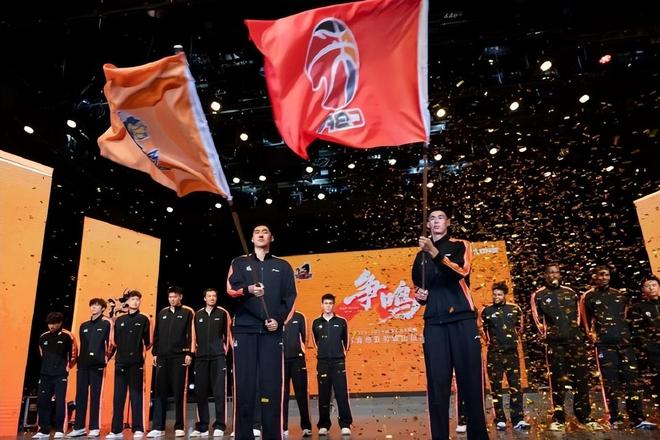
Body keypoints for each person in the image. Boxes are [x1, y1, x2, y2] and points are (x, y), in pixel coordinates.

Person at [411, 205, 488, 440]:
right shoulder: (420, 255)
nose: (436, 221)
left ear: (448, 223)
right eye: (432, 218)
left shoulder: (460, 245)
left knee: (470, 383)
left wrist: (434, 252)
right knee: (437, 385)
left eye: (440, 218)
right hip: (434, 324)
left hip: (462, 320)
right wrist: (420, 295)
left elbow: (460, 272)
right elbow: (420, 287)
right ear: (427, 225)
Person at [227, 223, 297, 440]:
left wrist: (278, 320)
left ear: (271, 238)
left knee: (272, 386)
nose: (260, 234)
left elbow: (290, 297)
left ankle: (273, 434)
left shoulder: (283, 266)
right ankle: (243, 435)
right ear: (251, 238)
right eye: (256, 232)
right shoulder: (239, 262)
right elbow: (230, 289)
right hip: (245, 330)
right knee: (245, 386)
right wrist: (248, 290)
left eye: (265, 232)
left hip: (271, 332)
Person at [581, 266, 655, 429]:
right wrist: (593, 338)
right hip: (605, 346)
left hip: (625, 344)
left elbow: (626, 317)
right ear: (594, 277)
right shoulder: (588, 296)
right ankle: (614, 418)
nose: (604, 278)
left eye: (607, 275)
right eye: (600, 275)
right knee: (611, 383)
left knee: (631, 382)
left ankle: (637, 418)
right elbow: (585, 321)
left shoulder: (619, 295)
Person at [530, 262, 602, 431]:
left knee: (580, 379)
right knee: (557, 381)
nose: (553, 275)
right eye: (550, 272)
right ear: (545, 275)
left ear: (560, 274)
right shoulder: (539, 295)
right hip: (555, 344)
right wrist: (549, 335)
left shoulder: (570, 293)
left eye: (556, 272)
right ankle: (559, 418)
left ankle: (584, 416)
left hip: (575, 342)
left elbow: (579, 316)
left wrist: (574, 333)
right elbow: (536, 319)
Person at [479, 282, 530, 431]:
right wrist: (491, 342)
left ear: (504, 295)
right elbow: (482, 329)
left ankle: (518, 419)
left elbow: (520, 328)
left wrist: (511, 341)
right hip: (494, 354)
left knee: (515, 386)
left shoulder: (515, 309)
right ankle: (500, 419)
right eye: (494, 294)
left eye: (499, 294)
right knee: (496, 387)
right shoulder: (486, 311)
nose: (496, 297)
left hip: (512, 353)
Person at [147, 286, 195, 438]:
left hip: (179, 356)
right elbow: (157, 335)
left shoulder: (188, 312)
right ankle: (158, 427)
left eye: (175, 296)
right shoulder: (162, 313)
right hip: (162, 356)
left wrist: (189, 352)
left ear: (180, 297)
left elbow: (192, 333)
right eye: (170, 297)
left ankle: (179, 426)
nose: (172, 299)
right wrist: (155, 353)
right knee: (159, 391)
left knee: (179, 392)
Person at [107, 290, 151, 439]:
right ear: (127, 302)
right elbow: (114, 341)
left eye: (138, 299)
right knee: (118, 397)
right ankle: (116, 430)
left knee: (136, 396)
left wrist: (138, 353)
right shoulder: (119, 320)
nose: (135, 302)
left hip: (136, 363)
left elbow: (148, 341)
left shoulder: (144, 319)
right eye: (133, 299)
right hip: (120, 363)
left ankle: (138, 428)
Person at [69, 299, 114, 437]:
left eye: (97, 305)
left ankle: (95, 427)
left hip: (98, 365)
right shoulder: (84, 325)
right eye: (92, 305)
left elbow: (112, 343)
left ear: (103, 308)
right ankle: (79, 427)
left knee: (96, 396)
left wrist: (104, 358)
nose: (94, 307)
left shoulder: (107, 323)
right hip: (83, 364)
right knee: (80, 395)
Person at [191, 288, 232, 437]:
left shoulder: (222, 313)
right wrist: (194, 352)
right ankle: (202, 426)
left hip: (218, 357)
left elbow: (228, 335)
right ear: (204, 298)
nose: (212, 298)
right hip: (201, 358)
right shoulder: (198, 314)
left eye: (214, 296)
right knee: (200, 392)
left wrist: (224, 353)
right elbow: (193, 336)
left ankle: (220, 425)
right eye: (209, 296)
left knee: (219, 392)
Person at [311, 294, 353, 436]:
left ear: (333, 305)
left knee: (341, 393)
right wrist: (322, 354)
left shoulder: (341, 321)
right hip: (322, 362)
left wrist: (341, 355)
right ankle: (324, 425)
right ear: (322, 305)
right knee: (323, 394)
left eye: (330, 303)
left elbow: (346, 341)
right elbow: (315, 342)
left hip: (338, 362)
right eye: (325, 303)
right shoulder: (316, 322)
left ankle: (345, 424)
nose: (328, 306)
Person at [33, 312, 78, 439]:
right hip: (45, 374)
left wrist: (66, 367)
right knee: (43, 401)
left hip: (60, 374)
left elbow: (74, 354)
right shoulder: (43, 337)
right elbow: (42, 354)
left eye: (54, 323)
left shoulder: (67, 336)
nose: (51, 326)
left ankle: (59, 429)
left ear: (60, 323)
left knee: (60, 401)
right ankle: (43, 430)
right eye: (49, 324)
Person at [629, 275, 660, 411]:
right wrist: (648, 347)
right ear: (643, 289)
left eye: (654, 285)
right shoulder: (638, 307)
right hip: (653, 352)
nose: (651, 288)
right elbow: (637, 331)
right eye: (647, 286)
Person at [283, 310, 312, 437]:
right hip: (281, 361)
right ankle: (283, 427)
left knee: (301, 394)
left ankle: (306, 427)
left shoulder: (300, 316)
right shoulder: (276, 314)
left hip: (297, 360)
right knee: (282, 395)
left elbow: (305, 338)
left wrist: (299, 351)